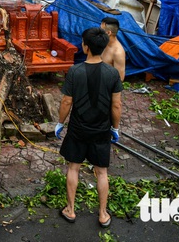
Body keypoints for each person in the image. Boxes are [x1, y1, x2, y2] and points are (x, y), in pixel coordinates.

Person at [55, 27, 122, 228]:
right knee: (102, 172)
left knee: (73, 167)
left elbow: (67, 101)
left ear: (85, 46)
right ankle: (102, 214)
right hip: (101, 129)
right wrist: (115, 128)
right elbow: (116, 105)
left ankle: (71, 210)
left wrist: (60, 123)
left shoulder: (75, 71)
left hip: (78, 128)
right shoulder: (112, 73)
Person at [100, 17, 126, 81]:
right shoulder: (103, 43)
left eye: (101, 30)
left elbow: (119, 79)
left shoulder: (117, 53)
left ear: (108, 33)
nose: (99, 32)